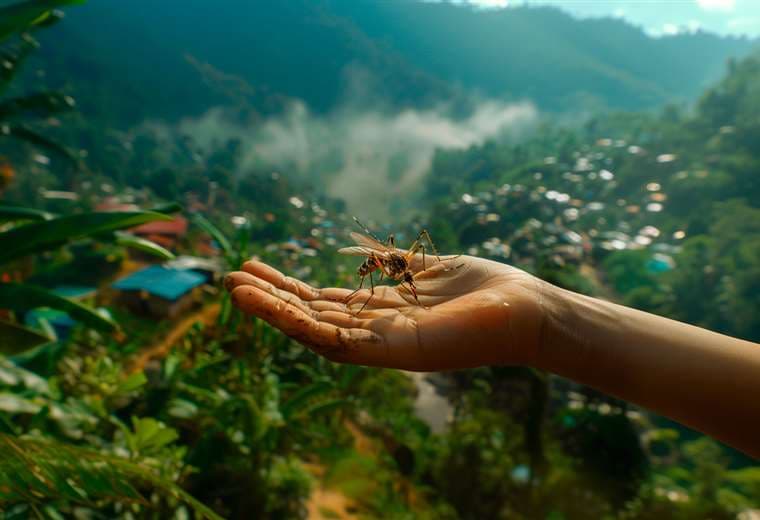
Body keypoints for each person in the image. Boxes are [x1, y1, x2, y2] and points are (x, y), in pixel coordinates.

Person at [225, 253, 760, 459]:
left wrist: (543, 314)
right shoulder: (388, 264)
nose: (397, 275)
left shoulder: (399, 269)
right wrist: (545, 315)